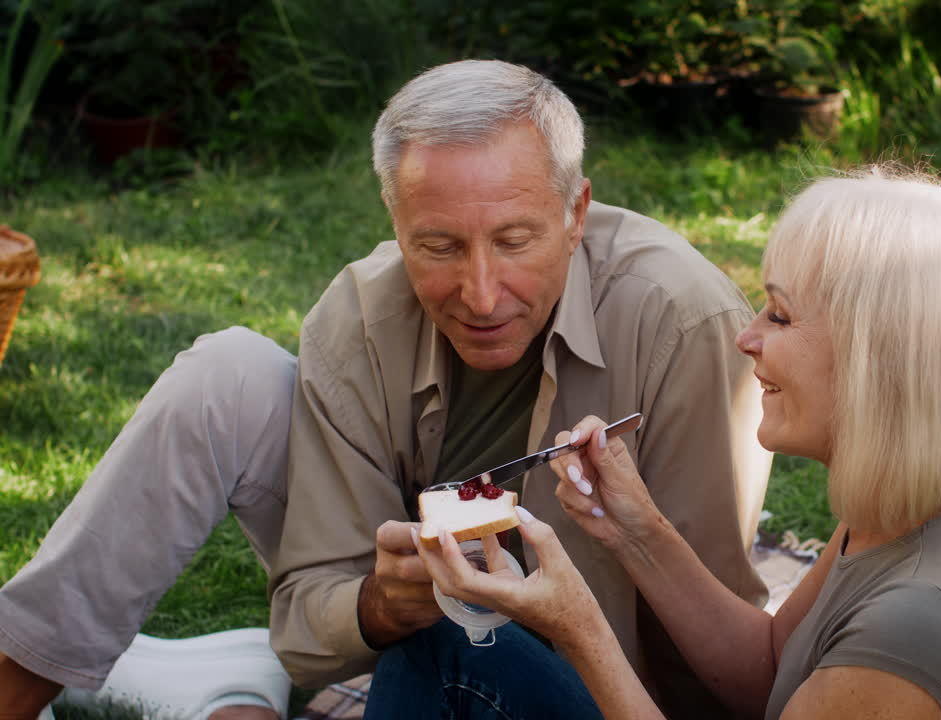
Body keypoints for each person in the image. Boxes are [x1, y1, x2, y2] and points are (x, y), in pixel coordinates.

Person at [0, 60, 771, 720]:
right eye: (437, 246)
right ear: (396, 222)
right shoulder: (361, 313)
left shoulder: (685, 322)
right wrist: (381, 603)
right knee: (223, 373)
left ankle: (238, 683)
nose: (480, 293)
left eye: (514, 241)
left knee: (443, 649)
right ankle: (15, 680)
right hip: (407, 632)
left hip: (610, 684)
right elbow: (310, 624)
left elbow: (716, 656)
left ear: (576, 213)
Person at [406, 166, 941, 719]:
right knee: (442, 645)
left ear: (878, 365)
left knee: (442, 653)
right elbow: (768, 673)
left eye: (780, 314)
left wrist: (578, 626)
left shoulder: (918, 624)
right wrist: (632, 530)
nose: (746, 336)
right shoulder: (933, 491)